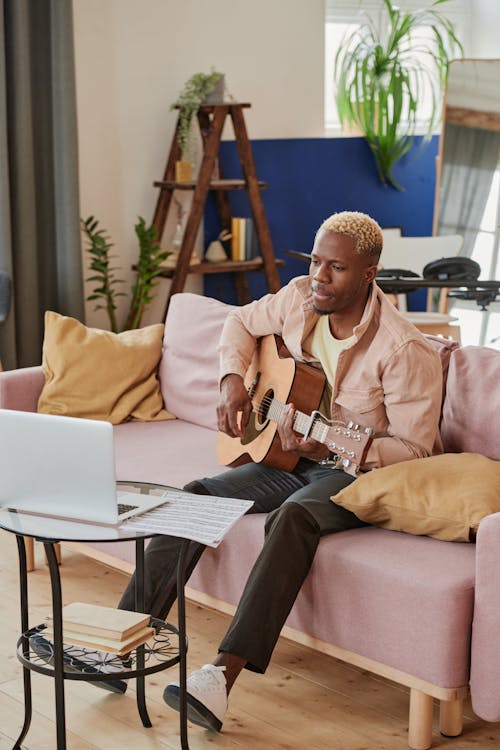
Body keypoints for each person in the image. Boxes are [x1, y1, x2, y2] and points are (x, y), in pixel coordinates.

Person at [32, 211, 444, 725]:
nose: (319, 276)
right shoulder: (298, 298)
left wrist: (337, 447)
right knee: (193, 495)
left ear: (368, 273)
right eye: (315, 261)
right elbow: (240, 322)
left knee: (294, 516)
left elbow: (416, 452)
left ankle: (220, 677)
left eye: (335, 268)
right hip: (287, 456)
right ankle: (117, 644)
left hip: (353, 474)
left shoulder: (406, 350)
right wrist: (231, 378)